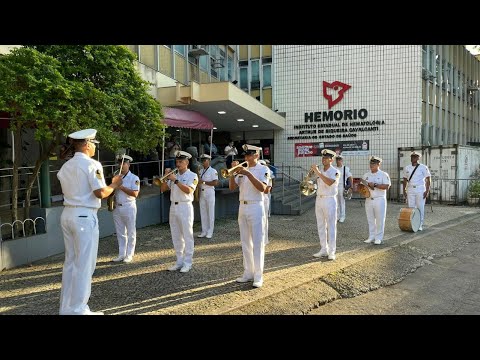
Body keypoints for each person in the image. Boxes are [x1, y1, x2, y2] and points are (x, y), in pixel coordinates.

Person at [57, 129, 123, 315]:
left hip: (68, 214)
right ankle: (78, 309)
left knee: (70, 263)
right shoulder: (92, 164)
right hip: (84, 216)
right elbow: (100, 193)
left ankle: (66, 308)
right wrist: (114, 184)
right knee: (85, 264)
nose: (94, 147)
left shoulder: (66, 166)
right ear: (87, 144)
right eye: (94, 143)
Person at [229, 144, 269, 288]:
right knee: (245, 242)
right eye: (245, 155)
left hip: (256, 205)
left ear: (257, 155)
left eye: (250, 155)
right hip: (242, 206)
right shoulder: (241, 170)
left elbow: (263, 189)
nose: (247, 158)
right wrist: (232, 174)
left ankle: (258, 275)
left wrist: (248, 174)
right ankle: (248, 272)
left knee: (257, 242)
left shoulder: (263, 169)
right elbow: (232, 188)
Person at [160, 150, 198, 273]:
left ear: (187, 162)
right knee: (176, 235)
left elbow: (189, 191)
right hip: (173, 206)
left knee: (187, 235)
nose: (178, 164)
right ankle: (179, 261)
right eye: (177, 161)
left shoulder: (192, 175)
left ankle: (188, 262)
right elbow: (163, 189)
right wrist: (166, 178)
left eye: (181, 161)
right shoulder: (174, 174)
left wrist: (175, 180)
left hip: (185, 206)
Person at [311, 149, 340, 261]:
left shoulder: (335, 171)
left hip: (330, 200)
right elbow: (315, 182)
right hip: (319, 199)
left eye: (326, 158)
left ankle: (332, 251)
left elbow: (329, 182)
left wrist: (318, 172)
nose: (323, 160)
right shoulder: (320, 170)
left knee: (331, 226)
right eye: (322, 158)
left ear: (331, 160)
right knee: (320, 226)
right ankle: (324, 249)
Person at [111, 155, 140, 263]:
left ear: (129, 165)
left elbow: (135, 193)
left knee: (131, 231)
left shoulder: (134, 178)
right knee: (120, 232)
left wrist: (120, 186)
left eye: (123, 163)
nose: (121, 166)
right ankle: (121, 254)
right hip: (117, 206)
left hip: (129, 206)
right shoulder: (116, 176)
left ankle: (129, 254)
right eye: (120, 164)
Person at [363, 156, 391, 245]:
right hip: (368, 199)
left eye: (374, 164)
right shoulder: (366, 175)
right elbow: (362, 186)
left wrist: (375, 185)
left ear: (379, 164)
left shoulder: (383, 174)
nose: (371, 165)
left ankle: (378, 237)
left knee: (380, 219)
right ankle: (371, 236)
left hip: (379, 199)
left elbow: (387, 186)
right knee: (370, 219)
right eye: (371, 163)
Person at [402, 151, 431, 231]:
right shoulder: (407, 168)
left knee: (420, 207)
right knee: (411, 207)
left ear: (418, 158)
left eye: (415, 157)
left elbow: (428, 179)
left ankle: (420, 224)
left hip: (420, 189)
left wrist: (427, 191)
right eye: (412, 156)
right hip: (410, 189)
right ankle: (412, 223)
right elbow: (404, 180)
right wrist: (404, 190)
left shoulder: (423, 167)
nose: (412, 158)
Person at [197, 154, 219, 239]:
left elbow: (215, 182)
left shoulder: (213, 171)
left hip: (209, 192)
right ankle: (204, 231)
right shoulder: (201, 171)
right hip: (202, 192)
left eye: (204, 160)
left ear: (208, 161)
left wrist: (204, 182)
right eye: (202, 160)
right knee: (203, 212)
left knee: (210, 212)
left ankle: (210, 231)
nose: (203, 162)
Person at [259, 159, 275, 245]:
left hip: (264, 198)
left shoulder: (267, 174)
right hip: (256, 199)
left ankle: (265, 239)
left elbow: (267, 190)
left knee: (264, 219)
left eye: (262, 165)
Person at [335, 154, 353, 223]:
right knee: (336, 202)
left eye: (339, 160)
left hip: (342, 186)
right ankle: (337, 216)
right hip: (334, 187)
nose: (338, 161)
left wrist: (351, 187)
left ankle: (342, 216)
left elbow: (350, 177)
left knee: (342, 202)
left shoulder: (345, 168)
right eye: (337, 160)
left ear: (342, 161)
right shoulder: (334, 168)